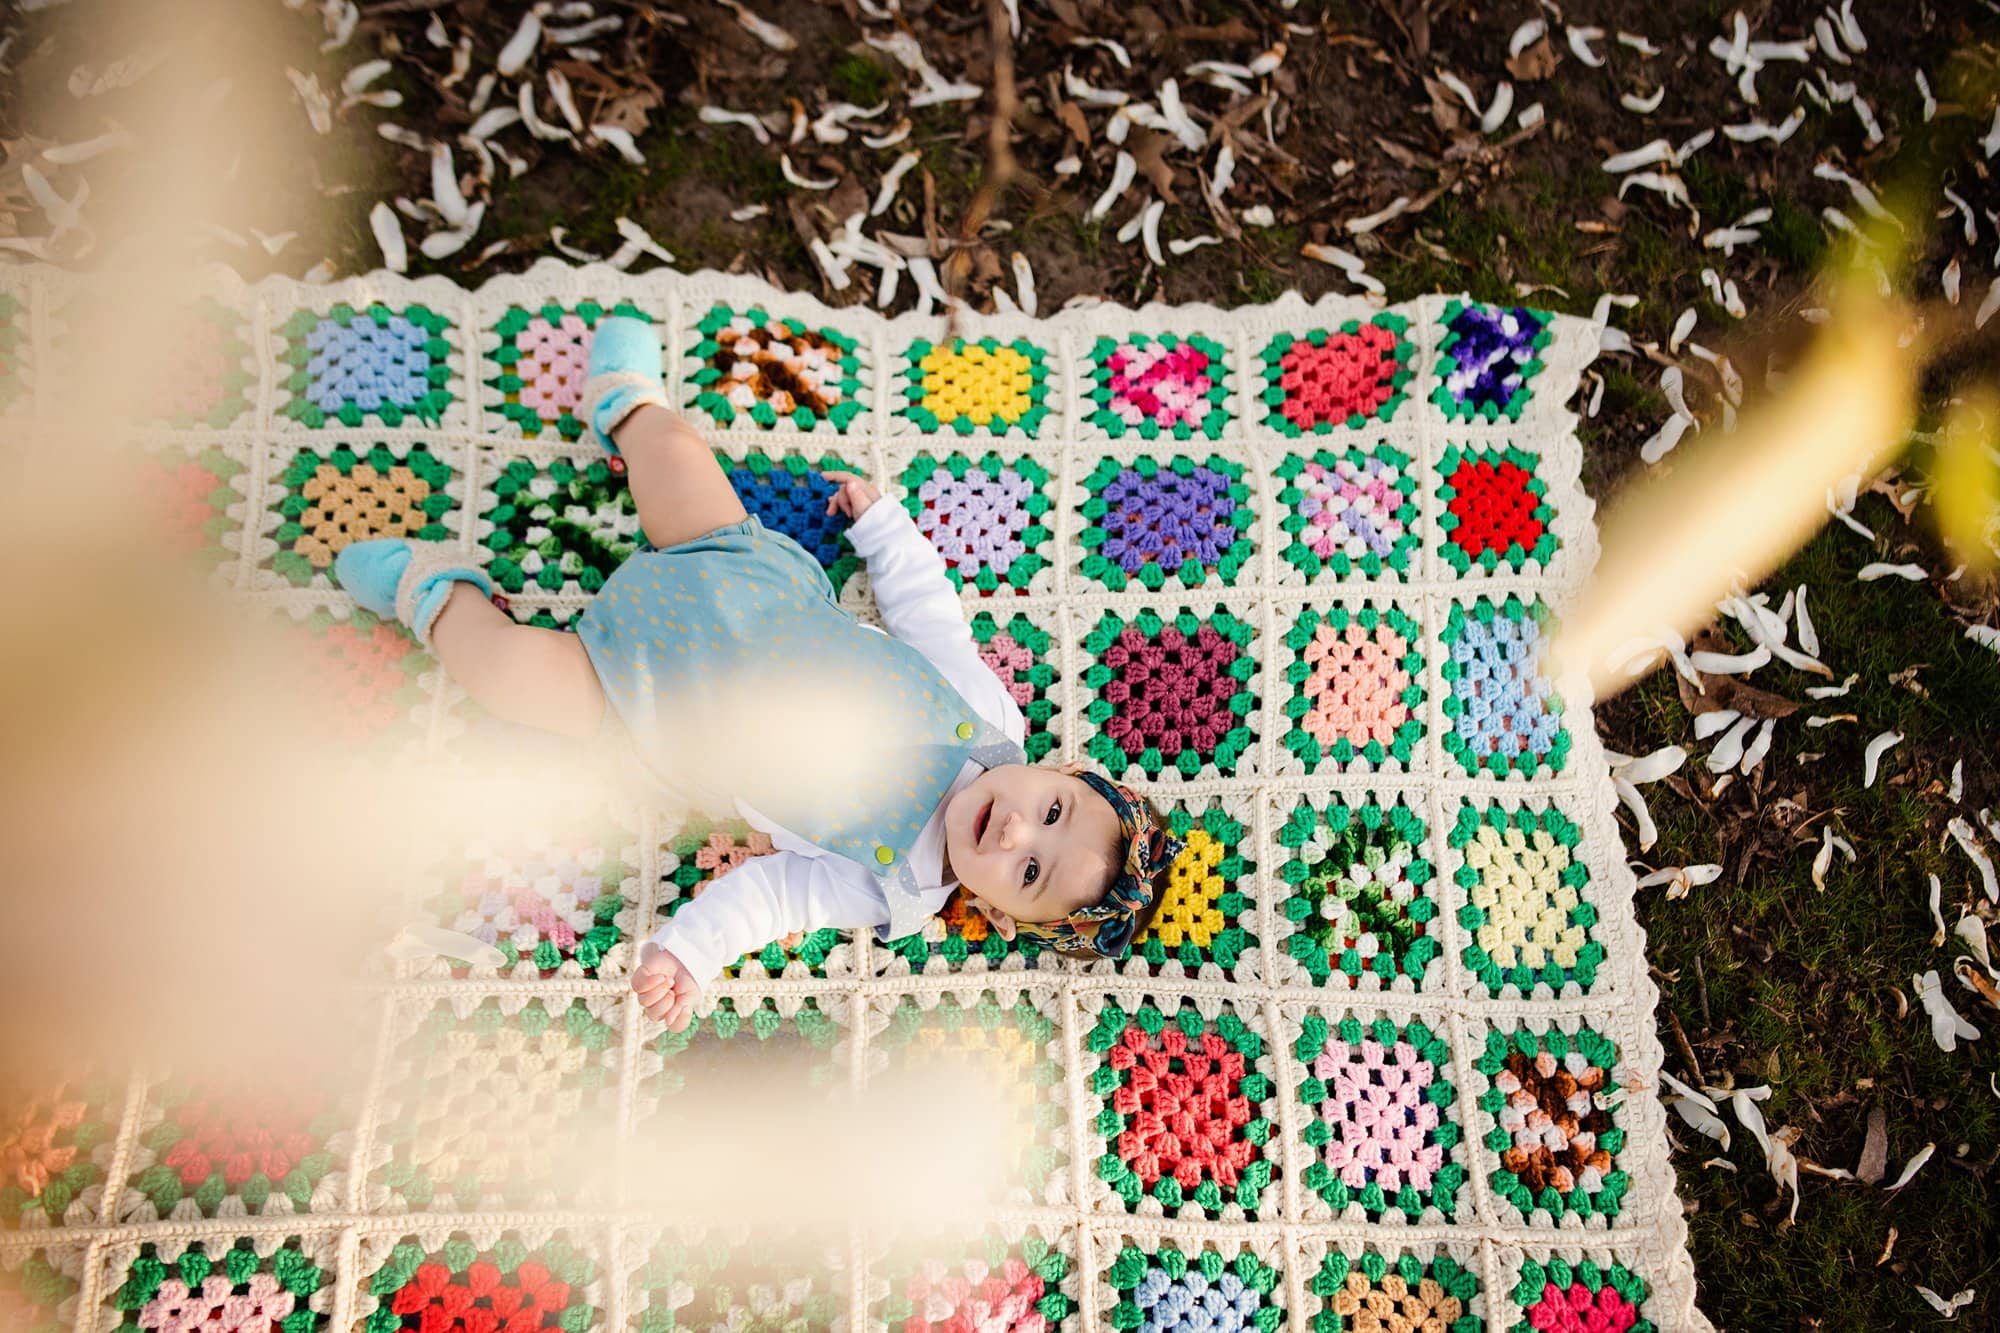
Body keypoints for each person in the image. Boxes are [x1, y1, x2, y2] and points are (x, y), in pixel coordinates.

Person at [334, 318, 1180, 1030]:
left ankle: (437, 599)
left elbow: (774, 895)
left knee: (513, 676)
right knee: (675, 457)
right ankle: (627, 406)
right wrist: (885, 530)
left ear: (998, 911)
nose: (1015, 833)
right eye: (1055, 810)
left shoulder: (899, 885)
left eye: (1029, 872)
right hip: (730, 573)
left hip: (645, 700)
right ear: (1059, 770)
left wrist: (691, 952)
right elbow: (930, 614)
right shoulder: (988, 714)